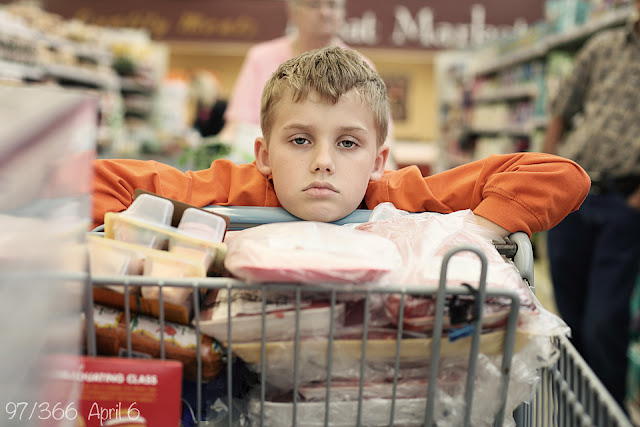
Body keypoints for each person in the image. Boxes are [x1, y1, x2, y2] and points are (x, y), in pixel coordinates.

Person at [94, 46, 590, 245]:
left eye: (348, 143)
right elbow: (99, 180)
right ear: (264, 155)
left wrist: (475, 232)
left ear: (378, 161)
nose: (323, 162)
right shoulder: (227, 189)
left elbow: (560, 174)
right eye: (300, 140)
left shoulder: (397, 197)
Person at [541, 4, 640, 407]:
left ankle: (605, 412)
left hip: (623, 203)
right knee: (568, 314)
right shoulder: (604, 46)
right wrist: (546, 170)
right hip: (572, 195)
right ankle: (572, 406)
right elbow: (562, 109)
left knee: (605, 321)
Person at [217, 0, 397, 168]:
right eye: (314, 5)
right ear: (293, 12)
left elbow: (382, 135)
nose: (325, 13)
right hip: (272, 168)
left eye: (332, 5)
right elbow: (237, 127)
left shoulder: (362, 66)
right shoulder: (261, 58)